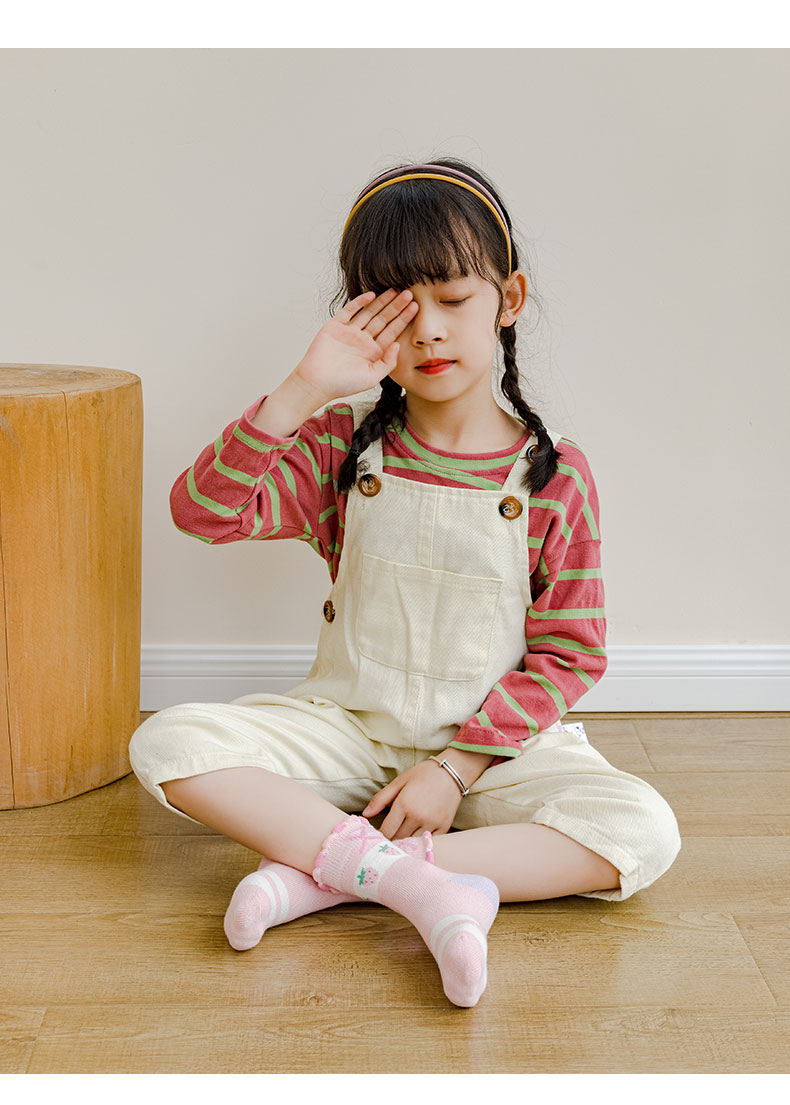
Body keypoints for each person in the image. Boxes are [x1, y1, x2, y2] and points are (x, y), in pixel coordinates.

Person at [129, 157, 681, 1008]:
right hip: (349, 733)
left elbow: (570, 655)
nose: (427, 332)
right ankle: (422, 885)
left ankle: (329, 873)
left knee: (642, 828)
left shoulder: (554, 474)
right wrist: (303, 386)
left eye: (455, 300)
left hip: (493, 755)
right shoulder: (339, 447)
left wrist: (454, 769)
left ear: (511, 299)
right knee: (166, 742)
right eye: (397, 309)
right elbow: (202, 511)